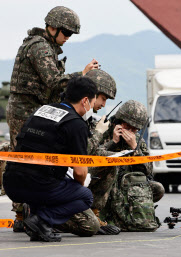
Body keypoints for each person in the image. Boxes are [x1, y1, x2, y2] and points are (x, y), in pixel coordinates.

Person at [7, 6, 99, 232]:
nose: (67, 38)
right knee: (27, 163)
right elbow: (54, 81)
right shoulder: (40, 47)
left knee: (40, 166)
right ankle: (23, 216)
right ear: (53, 27)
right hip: (25, 111)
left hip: (34, 110)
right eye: (66, 33)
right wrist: (82, 76)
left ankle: (35, 213)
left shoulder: (45, 46)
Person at [3, 77, 98, 242]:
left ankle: (37, 222)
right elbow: (80, 172)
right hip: (38, 184)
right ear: (85, 101)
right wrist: (77, 187)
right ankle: (42, 219)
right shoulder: (76, 124)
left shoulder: (43, 110)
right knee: (85, 196)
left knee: (49, 180)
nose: (93, 108)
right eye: (93, 102)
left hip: (12, 182)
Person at [54, 69, 120, 237]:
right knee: (89, 226)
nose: (104, 105)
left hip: (68, 173)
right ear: (90, 95)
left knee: (111, 161)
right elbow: (83, 152)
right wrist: (99, 132)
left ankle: (93, 214)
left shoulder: (85, 117)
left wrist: (113, 144)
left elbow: (91, 151)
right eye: (103, 98)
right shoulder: (73, 117)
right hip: (61, 176)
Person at [90, 100, 164, 230]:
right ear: (118, 122)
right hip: (104, 185)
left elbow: (149, 171)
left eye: (134, 129)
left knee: (157, 188)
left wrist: (135, 147)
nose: (130, 132)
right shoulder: (103, 131)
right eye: (127, 127)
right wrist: (113, 142)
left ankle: (129, 215)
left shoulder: (137, 141)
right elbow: (92, 157)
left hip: (126, 186)